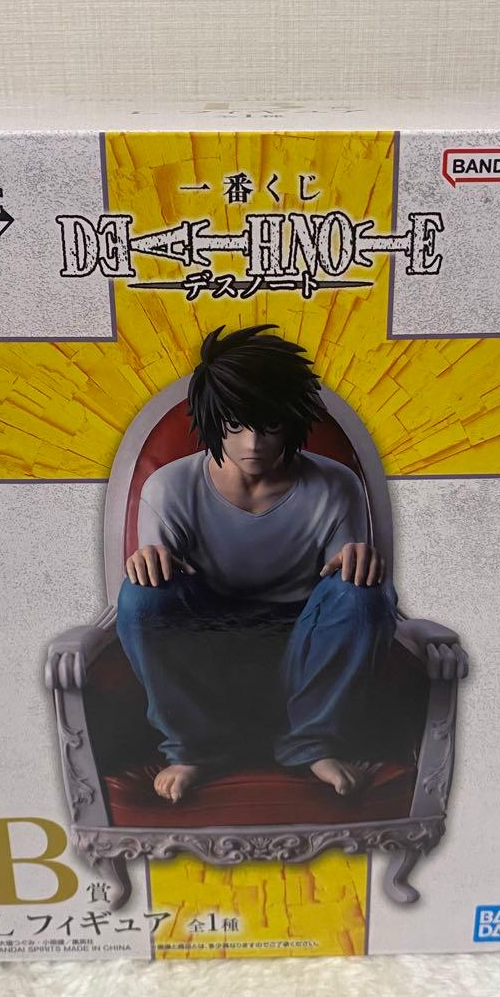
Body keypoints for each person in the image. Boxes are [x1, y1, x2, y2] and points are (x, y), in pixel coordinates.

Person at [115, 324, 397, 803]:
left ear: (292, 420)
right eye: (235, 426)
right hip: (209, 644)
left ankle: (313, 743)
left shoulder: (336, 485)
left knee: (364, 590)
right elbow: (157, 595)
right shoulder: (169, 487)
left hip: (303, 644)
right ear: (212, 420)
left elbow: (345, 598)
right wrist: (148, 561)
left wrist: (359, 561)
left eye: (269, 425)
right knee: (142, 594)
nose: (252, 444)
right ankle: (194, 749)